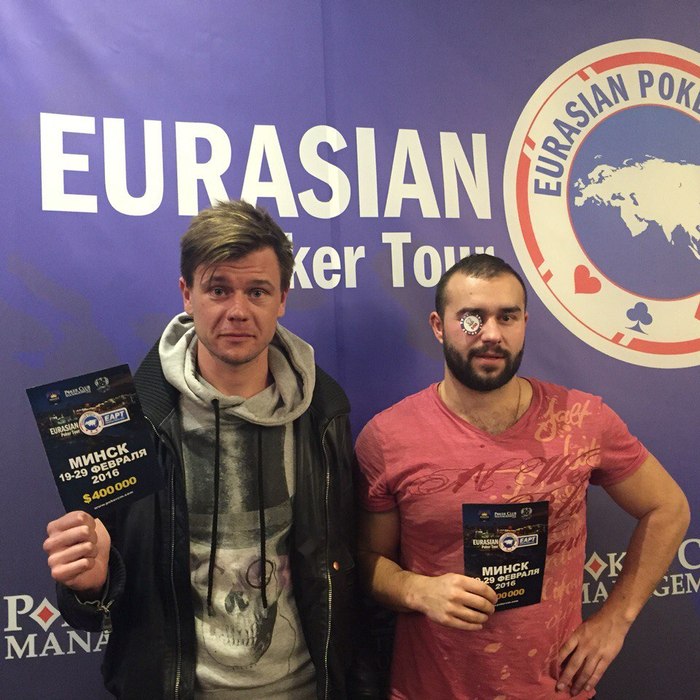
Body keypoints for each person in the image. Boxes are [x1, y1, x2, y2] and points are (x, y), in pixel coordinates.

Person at [43, 200, 357, 699]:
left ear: (282, 299)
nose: (238, 311)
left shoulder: (323, 413)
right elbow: (92, 609)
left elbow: (339, 568)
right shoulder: (130, 418)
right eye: (218, 289)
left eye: (257, 291)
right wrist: (90, 585)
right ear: (187, 294)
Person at [355, 253, 690, 699]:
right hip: (429, 688)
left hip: (554, 688)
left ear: (524, 323)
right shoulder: (387, 437)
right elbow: (366, 559)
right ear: (439, 326)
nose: (492, 334)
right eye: (472, 318)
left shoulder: (582, 419)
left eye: (507, 317)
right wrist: (415, 590)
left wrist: (615, 621)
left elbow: (668, 507)